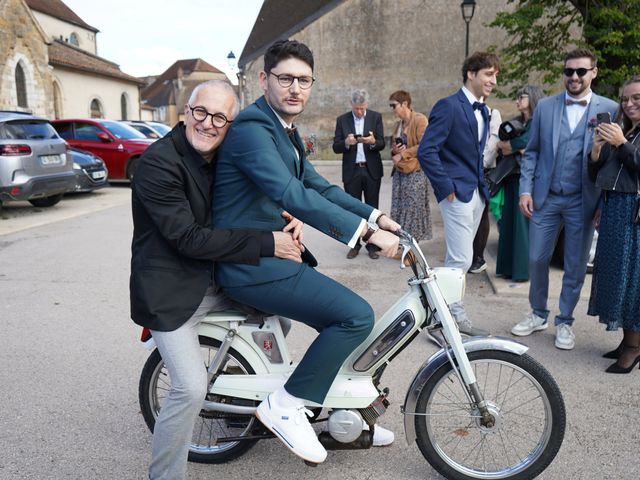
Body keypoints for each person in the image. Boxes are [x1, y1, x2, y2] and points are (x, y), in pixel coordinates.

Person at [212, 40, 400, 464]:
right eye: (285, 79)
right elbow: (290, 192)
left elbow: (319, 186)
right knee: (355, 316)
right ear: (264, 80)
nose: (295, 88)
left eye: (304, 80)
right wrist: (366, 237)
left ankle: (350, 416)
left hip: (273, 258)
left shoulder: (283, 129)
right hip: (251, 264)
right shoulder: (251, 130)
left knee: (349, 321)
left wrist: (376, 216)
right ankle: (286, 405)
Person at [130, 80, 304, 480]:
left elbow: (253, 196)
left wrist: (287, 217)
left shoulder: (223, 153)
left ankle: (235, 402)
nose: (208, 124)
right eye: (201, 112)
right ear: (186, 112)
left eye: (220, 118)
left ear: (231, 124)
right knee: (189, 388)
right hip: (169, 294)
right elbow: (187, 237)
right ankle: (165, 475)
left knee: (282, 318)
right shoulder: (158, 163)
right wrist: (267, 243)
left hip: (216, 281)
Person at [512, 49, 618, 350]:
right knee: (536, 258)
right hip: (546, 198)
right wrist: (526, 189)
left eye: (580, 72)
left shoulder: (609, 108)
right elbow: (531, 151)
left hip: (583, 201)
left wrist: (602, 204)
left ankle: (565, 321)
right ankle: (538, 313)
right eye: (569, 71)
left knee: (574, 265)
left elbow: (610, 163)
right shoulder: (545, 107)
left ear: (593, 72)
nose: (573, 77)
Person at [417, 51, 500, 336]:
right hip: (457, 194)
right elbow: (426, 151)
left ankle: (444, 315)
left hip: (476, 192)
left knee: (462, 260)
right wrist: (447, 189)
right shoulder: (449, 106)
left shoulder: (485, 110)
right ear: (471, 74)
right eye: (489, 74)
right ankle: (445, 320)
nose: (494, 81)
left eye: (495, 75)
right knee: (460, 260)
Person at [587, 75, 640, 373]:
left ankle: (634, 348)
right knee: (616, 277)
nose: (629, 103)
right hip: (614, 208)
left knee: (631, 280)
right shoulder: (626, 132)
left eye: (636, 98)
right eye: (625, 98)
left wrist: (621, 144)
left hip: (634, 214)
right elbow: (596, 176)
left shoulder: (625, 137)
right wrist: (596, 151)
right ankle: (627, 341)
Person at [495, 85, 544, 282]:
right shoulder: (517, 122)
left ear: (531, 98)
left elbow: (524, 146)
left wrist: (517, 147)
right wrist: (517, 148)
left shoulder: (538, 122)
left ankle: (522, 271)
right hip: (512, 177)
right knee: (509, 223)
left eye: (521, 97)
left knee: (522, 225)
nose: (517, 101)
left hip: (529, 180)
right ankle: (509, 268)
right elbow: (503, 147)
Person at [332, 89, 385, 259]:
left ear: (367, 105)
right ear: (351, 105)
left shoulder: (376, 117)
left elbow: (382, 143)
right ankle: (355, 244)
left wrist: (372, 142)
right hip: (352, 170)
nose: (360, 112)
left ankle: (372, 245)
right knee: (352, 210)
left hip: (371, 170)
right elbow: (335, 147)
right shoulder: (342, 120)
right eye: (357, 109)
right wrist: (346, 143)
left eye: (362, 108)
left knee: (371, 210)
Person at [389, 90, 432, 243]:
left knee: (413, 212)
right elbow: (394, 148)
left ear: (405, 104)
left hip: (415, 173)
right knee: (401, 212)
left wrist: (403, 154)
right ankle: (403, 247)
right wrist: (395, 150)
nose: (392, 109)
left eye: (394, 105)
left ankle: (412, 252)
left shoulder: (420, 120)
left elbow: (425, 145)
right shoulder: (398, 125)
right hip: (400, 173)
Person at [469, 105, 502, 273]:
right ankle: (468, 254)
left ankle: (478, 257)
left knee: (482, 213)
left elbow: (495, 141)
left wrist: (481, 164)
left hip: (484, 170)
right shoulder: (464, 110)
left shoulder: (492, 113)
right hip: (467, 169)